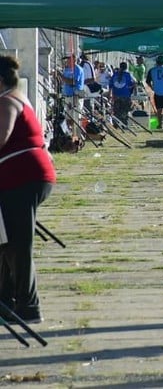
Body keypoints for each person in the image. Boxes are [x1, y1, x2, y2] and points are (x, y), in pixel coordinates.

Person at [0, 55, 57, 324]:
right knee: (7, 243)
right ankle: (7, 299)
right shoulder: (14, 97)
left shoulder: (7, 101)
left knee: (18, 245)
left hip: (23, 178)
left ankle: (28, 306)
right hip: (23, 177)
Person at [59, 54, 85, 141]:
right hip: (68, 95)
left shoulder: (78, 69)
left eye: (69, 59)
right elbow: (63, 81)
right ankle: (70, 136)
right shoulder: (66, 69)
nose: (67, 61)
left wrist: (61, 76)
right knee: (68, 117)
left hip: (76, 96)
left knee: (76, 117)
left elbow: (73, 82)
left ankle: (78, 137)